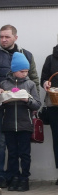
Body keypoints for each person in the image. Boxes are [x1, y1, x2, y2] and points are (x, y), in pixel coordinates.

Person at [0, 25, 39, 188]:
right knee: (0, 143)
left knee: (21, 150)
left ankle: (19, 177)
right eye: (1, 36)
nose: (3, 40)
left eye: (7, 37)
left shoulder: (27, 55)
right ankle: (2, 175)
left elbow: (34, 79)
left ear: (15, 37)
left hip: (23, 112)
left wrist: (32, 101)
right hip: (1, 107)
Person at [0, 51, 41, 192]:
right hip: (9, 124)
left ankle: (24, 179)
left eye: (27, 71)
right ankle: (13, 177)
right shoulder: (4, 83)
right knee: (12, 153)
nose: (25, 74)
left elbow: (37, 104)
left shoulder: (30, 84)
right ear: (14, 70)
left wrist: (26, 100)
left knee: (24, 154)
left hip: (25, 125)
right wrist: (3, 96)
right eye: (22, 71)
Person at [41, 38, 58, 185]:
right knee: (57, 139)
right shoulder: (51, 58)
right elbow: (43, 79)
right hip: (54, 105)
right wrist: (45, 83)